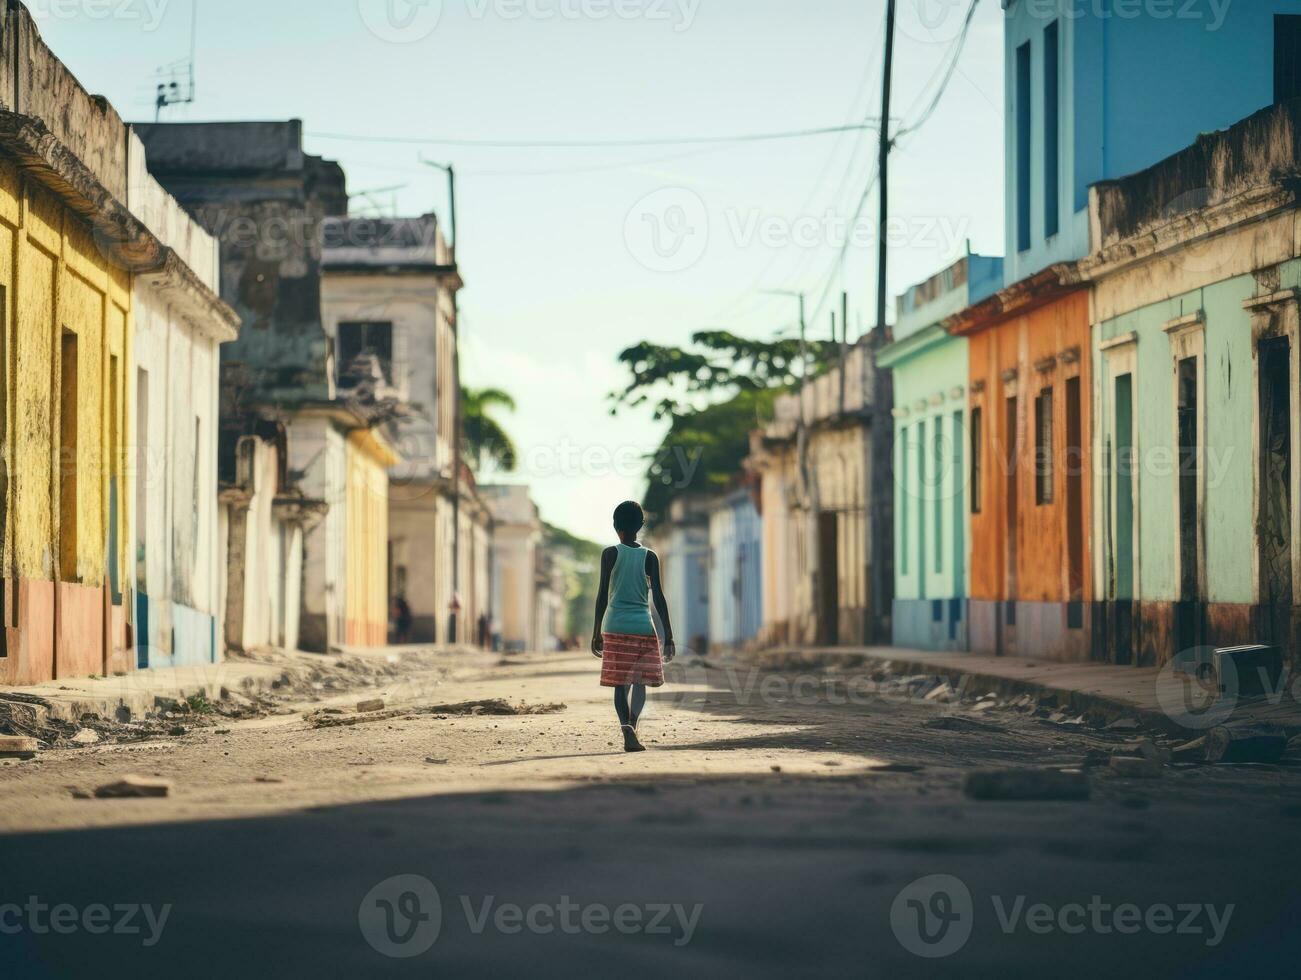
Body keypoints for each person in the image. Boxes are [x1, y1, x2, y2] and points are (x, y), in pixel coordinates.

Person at [591, 501, 675, 753]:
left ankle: (625, 727)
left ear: (615, 526)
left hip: (615, 625)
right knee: (639, 683)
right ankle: (633, 727)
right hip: (642, 626)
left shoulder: (610, 554)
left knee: (620, 683)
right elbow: (658, 598)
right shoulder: (649, 556)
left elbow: (602, 595)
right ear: (641, 526)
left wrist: (596, 632)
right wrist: (668, 635)